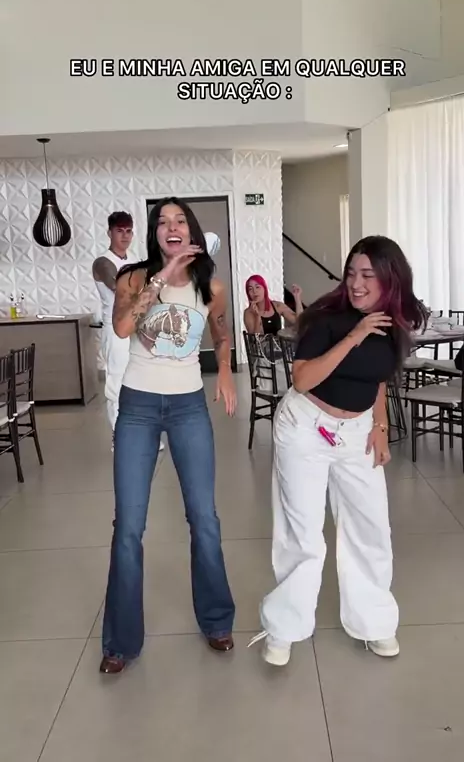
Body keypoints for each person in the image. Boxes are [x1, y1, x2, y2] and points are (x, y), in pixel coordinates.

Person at [249, 236, 427, 667]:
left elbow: (379, 377)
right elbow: (303, 380)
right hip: (306, 427)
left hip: (357, 431)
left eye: (368, 275)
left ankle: (374, 622)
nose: (357, 284)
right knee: (303, 534)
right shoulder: (326, 318)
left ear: (391, 279)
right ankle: (284, 628)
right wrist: (355, 335)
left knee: (371, 526)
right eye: (352, 274)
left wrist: (380, 425)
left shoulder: (396, 321)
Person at [100, 197, 237, 674]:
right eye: (162, 221)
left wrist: (225, 369)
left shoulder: (211, 286)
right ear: (155, 233)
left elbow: (220, 332)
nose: (171, 226)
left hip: (188, 408)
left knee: (204, 518)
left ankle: (217, 620)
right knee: (128, 525)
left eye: (179, 220)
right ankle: (120, 642)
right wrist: (163, 276)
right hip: (137, 407)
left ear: (191, 230)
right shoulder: (134, 278)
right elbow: (123, 327)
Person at [92, 212, 164, 449]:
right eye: (119, 231)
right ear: (109, 232)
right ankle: (120, 437)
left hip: (138, 328)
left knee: (142, 380)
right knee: (118, 382)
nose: (125, 236)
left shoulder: (134, 261)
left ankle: (146, 434)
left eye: (128, 231)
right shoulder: (103, 263)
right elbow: (123, 289)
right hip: (115, 329)